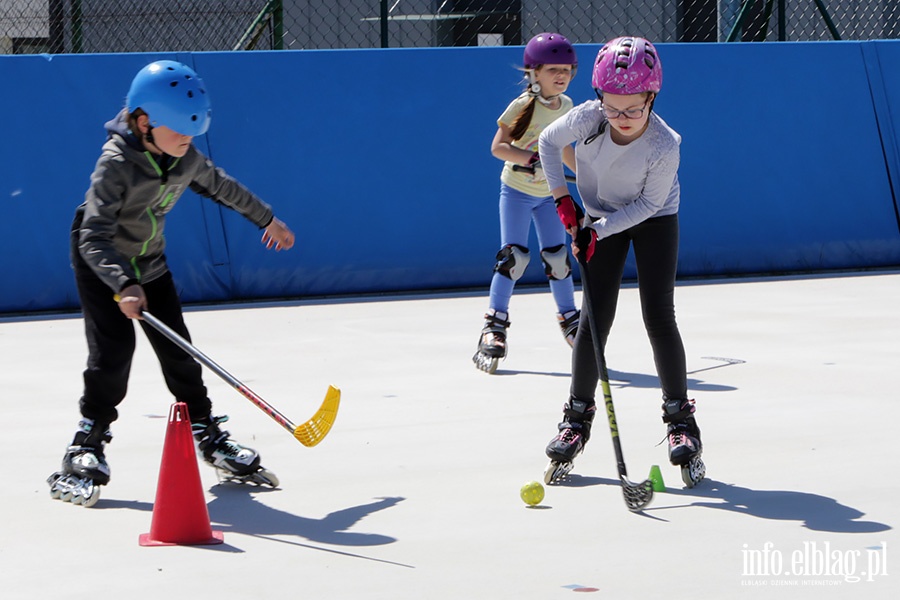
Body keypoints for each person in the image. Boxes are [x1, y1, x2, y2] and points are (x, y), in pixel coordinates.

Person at [48, 60, 295, 506]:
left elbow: (222, 186)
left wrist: (267, 218)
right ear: (144, 122)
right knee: (114, 354)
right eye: (179, 132)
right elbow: (93, 236)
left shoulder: (184, 158)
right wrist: (122, 284)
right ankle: (85, 444)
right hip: (103, 263)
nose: (187, 141)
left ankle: (208, 435)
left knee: (180, 351)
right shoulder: (116, 164)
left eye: (192, 134)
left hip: (150, 262)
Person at [538, 37, 704, 487]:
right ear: (599, 99)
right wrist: (562, 201)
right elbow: (547, 146)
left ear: (652, 97)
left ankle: (680, 422)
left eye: (633, 109)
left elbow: (649, 205)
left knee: (658, 315)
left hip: (652, 218)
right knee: (595, 320)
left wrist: (597, 230)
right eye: (612, 108)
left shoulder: (664, 144)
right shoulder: (587, 119)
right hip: (595, 215)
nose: (622, 119)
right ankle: (575, 419)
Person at [472, 32, 581, 374]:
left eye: (566, 69)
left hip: (549, 194)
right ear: (534, 73)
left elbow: (563, 147)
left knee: (558, 258)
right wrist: (531, 158)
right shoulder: (522, 106)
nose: (561, 76)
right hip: (518, 191)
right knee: (513, 258)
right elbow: (497, 147)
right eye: (553, 70)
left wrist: (586, 175)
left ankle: (570, 320)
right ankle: (494, 325)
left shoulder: (566, 106)